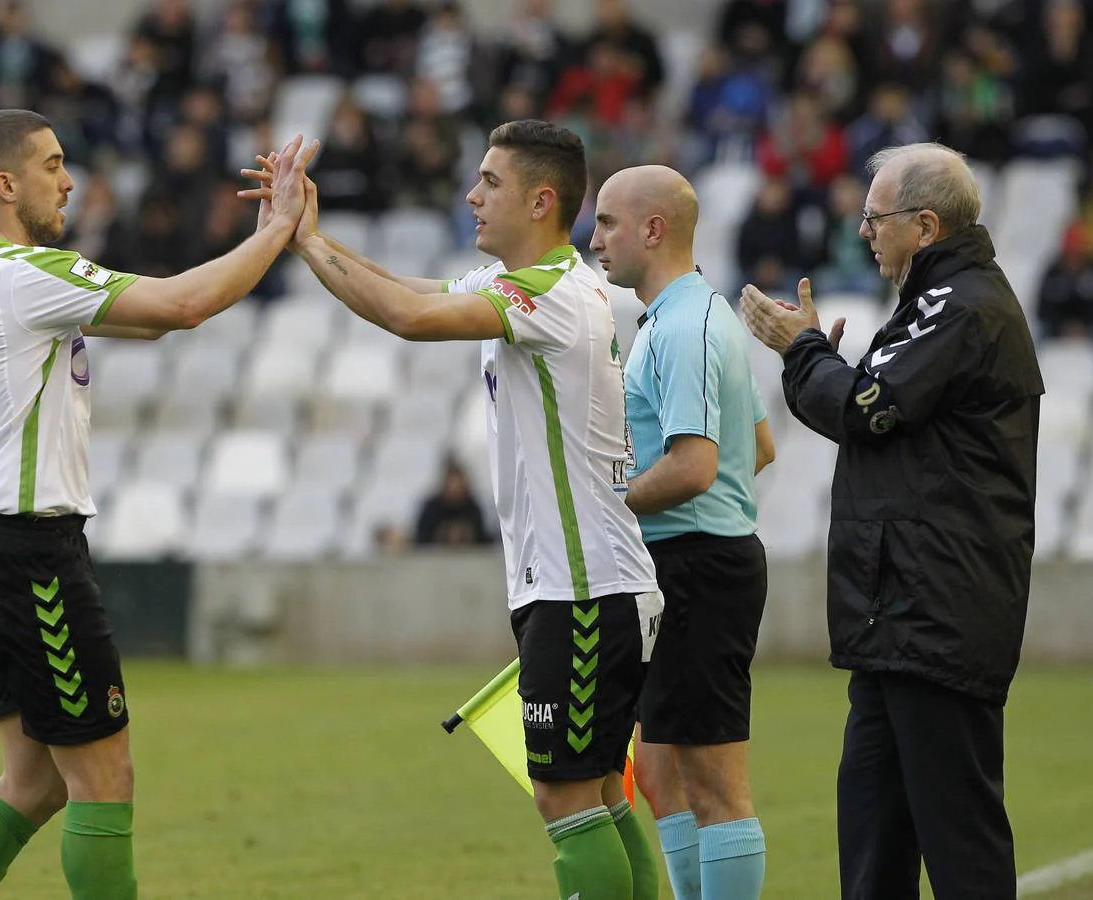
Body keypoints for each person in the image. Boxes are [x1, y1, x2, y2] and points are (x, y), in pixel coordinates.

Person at [243, 119, 663, 900]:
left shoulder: (549, 298)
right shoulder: (535, 288)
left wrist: (302, 244)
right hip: (589, 586)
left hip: (582, 590)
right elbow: (409, 291)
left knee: (566, 796)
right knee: (600, 791)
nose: (471, 196)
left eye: (490, 183)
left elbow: (407, 320)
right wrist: (312, 234)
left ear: (541, 201)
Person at [0, 108, 315, 900]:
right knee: (106, 779)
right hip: (32, 553)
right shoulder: (23, 276)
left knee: (33, 784)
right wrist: (276, 231)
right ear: (5, 183)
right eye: (52, 164)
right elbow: (180, 307)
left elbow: (155, 319)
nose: (70, 181)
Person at [739, 142, 1043, 900]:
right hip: (899, 619)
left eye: (875, 218)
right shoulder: (939, 303)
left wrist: (801, 350)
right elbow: (868, 408)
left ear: (926, 226)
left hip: (937, 612)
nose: (864, 230)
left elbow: (864, 411)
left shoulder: (963, 306)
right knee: (874, 843)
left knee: (959, 845)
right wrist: (816, 361)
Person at [590, 165, 775, 900]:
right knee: (660, 771)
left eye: (606, 222)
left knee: (714, 783)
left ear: (653, 229)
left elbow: (696, 466)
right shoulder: (686, 317)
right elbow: (756, 447)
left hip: (698, 566)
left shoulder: (687, 327)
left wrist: (612, 501)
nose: (595, 238)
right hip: (688, 562)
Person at [1036, 220, 1093, 348]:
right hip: (1058, 328)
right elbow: (1043, 307)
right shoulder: (1052, 273)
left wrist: (1083, 327)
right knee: (1037, 337)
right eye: (1070, 254)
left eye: (1078, 254)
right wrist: (1063, 327)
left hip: (1090, 326)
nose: (1074, 259)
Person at [413, 458, 491, 547]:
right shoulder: (432, 509)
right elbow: (421, 539)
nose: (454, 489)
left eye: (457, 483)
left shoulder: (472, 509)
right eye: (451, 484)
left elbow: (482, 540)